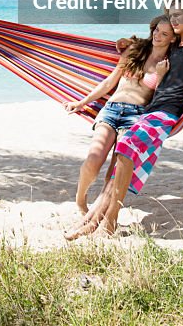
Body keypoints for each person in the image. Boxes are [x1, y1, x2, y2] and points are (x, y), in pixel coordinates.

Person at [65, 0, 183, 237]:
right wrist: (126, 43)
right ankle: (96, 218)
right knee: (117, 160)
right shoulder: (173, 47)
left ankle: (108, 219)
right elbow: (146, 47)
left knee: (125, 149)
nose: (174, 20)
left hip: (164, 114)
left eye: (179, 15)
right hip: (147, 112)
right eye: (171, 16)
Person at [63, 15, 176, 212]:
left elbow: (159, 99)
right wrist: (81, 103)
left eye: (164, 33)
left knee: (115, 172)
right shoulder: (135, 50)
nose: (157, 35)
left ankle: (100, 210)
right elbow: (109, 82)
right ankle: (81, 200)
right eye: (156, 30)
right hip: (112, 110)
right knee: (94, 159)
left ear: (173, 39)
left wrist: (161, 76)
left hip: (136, 116)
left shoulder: (168, 64)